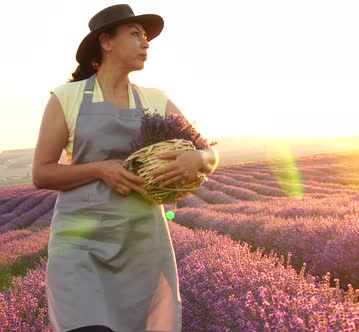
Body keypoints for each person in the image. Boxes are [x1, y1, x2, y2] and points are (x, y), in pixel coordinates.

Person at [32, 4, 219, 332]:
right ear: (106, 42)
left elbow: (209, 152)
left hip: (142, 245)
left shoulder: (155, 100)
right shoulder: (67, 97)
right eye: (135, 35)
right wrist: (101, 169)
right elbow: (42, 172)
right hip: (80, 248)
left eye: (146, 37)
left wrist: (199, 159)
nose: (145, 43)